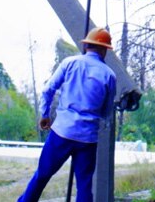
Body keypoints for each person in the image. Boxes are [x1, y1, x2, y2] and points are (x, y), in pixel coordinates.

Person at [18, 27, 117, 202]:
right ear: (104, 50)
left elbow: (48, 90)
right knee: (84, 187)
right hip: (87, 138)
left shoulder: (69, 63)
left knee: (42, 176)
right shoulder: (109, 75)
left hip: (62, 132)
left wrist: (45, 114)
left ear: (87, 45)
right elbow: (107, 111)